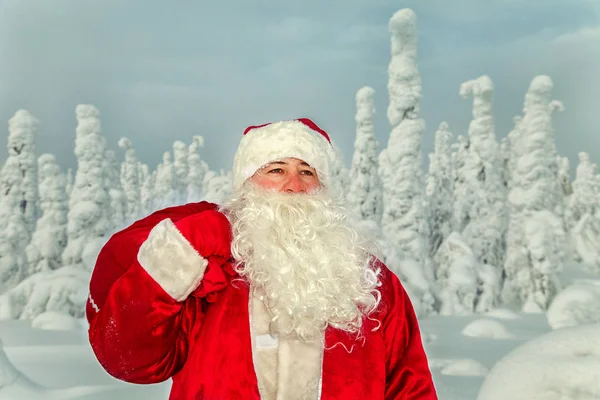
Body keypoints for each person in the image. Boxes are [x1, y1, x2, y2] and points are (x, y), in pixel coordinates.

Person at [86, 118, 438, 400]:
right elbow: (129, 361)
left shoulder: (367, 280)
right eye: (275, 170)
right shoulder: (207, 273)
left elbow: (410, 385)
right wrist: (176, 256)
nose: (293, 185)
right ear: (247, 183)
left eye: (307, 171)